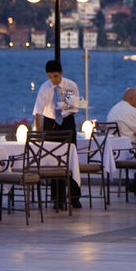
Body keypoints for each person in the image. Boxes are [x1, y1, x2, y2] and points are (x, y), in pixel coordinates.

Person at [31, 59, 82, 208]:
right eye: (50, 77)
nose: (53, 80)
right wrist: (39, 135)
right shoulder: (44, 88)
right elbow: (38, 113)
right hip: (50, 123)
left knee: (71, 159)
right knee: (54, 160)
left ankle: (74, 197)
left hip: (67, 121)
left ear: (61, 73)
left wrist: (65, 107)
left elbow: (75, 107)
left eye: (56, 76)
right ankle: (57, 199)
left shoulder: (71, 86)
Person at [106, 87, 136, 194]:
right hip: (127, 150)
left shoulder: (115, 108)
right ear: (130, 98)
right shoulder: (131, 111)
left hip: (112, 151)